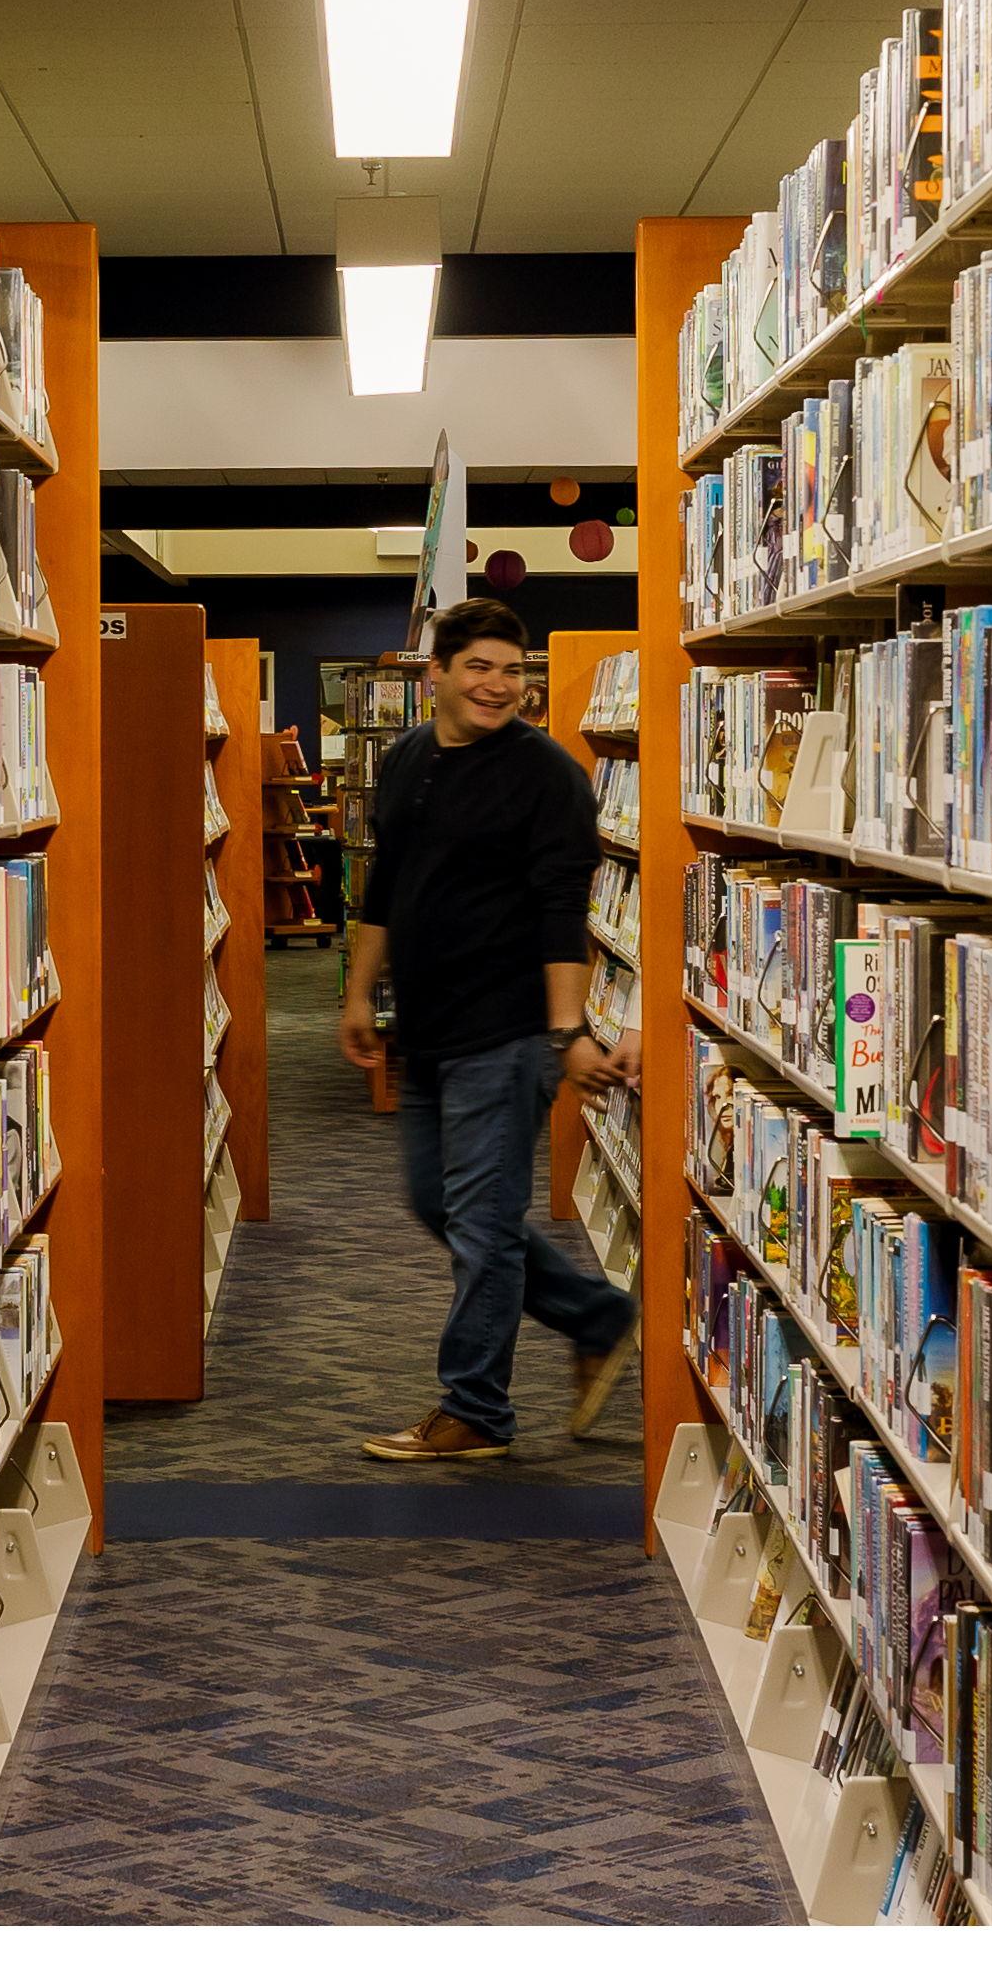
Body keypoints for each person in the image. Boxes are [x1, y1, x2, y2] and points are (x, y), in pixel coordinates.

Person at [337, 598, 641, 1460]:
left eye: (512, 670)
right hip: (427, 1027)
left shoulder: (548, 775)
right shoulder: (407, 757)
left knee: (480, 1227)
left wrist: (566, 1032)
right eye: (479, 666)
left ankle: (475, 1408)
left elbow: (561, 912)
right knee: (439, 1203)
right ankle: (596, 1314)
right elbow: (387, 888)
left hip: (505, 1035)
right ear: (434, 672)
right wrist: (359, 994)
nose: (499, 685)